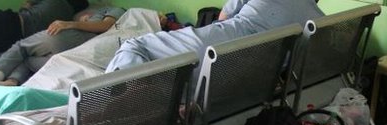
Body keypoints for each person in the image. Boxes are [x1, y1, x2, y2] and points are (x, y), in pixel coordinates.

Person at [105, 0, 323, 72]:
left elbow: (223, 17)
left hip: (216, 51)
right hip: (253, 80)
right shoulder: (318, 20)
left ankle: (103, 110)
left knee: (135, 47)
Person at [0, 5, 127, 88]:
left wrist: (70, 24)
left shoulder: (118, 10)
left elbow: (104, 25)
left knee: (22, 46)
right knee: (28, 60)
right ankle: (12, 82)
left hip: (80, 37)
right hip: (74, 51)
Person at [0, 0, 88, 53]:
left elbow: (26, 4)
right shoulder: (68, 19)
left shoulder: (54, 2)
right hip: (13, 40)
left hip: (10, 21)